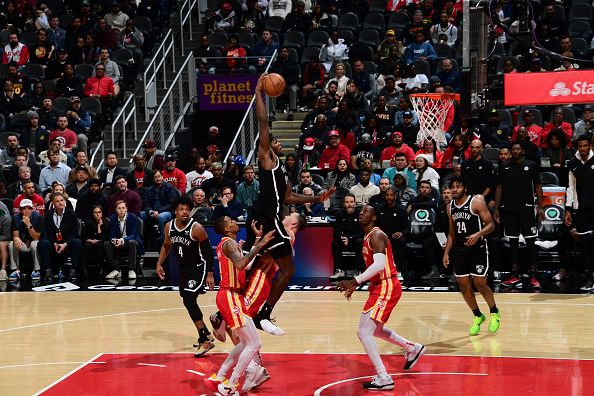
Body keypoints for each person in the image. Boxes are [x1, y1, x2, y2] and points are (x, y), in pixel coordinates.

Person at [246, 74, 334, 334]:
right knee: (288, 268)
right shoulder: (266, 159)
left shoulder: (281, 168)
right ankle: (263, 314)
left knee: (267, 264)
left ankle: (239, 311)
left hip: (270, 214)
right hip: (266, 214)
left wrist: (316, 198)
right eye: (273, 141)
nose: (277, 142)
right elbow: (262, 121)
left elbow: (288, 198)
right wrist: (259, 93)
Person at [337, 205, 426, 391]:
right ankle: (411, 348)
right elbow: (373, 267)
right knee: (374, 330)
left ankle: (384, 377)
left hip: (386, 285)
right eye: (360, 211)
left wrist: (355, 280)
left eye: (366, 212)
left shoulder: (377, 235)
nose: (361, 213)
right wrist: (359, 283)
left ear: (374, 218)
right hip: (379, 286)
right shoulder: (367, 237)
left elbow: (379, 265)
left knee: (364, 332)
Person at [205, 218, 275, 395]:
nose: (235, 221)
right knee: (254, 343)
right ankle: (231, 384)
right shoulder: (229, 244)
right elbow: (241, 263)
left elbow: (246, 264)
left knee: (246, 342)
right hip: (230, 295)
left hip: (233, 296)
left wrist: (256, 241)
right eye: (230, 220)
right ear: (227, 228)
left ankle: (220, 377)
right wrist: (260, 245)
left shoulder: (230, 244)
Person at [155, 196, 216, 356]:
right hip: (184, 268)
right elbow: (166, 246)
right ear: (175, 211)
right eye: (181, 209)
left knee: (189, 299)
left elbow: (209, 252)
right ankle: (208, 331)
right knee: (187, 300)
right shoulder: (169, 226)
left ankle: (205, 338)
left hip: (198, 266)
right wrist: (159, 263)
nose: (185, 212)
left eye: (187, 210)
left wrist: (210, 273)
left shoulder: (196, 228)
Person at [443, 176, 500, 334]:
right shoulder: (450, 207)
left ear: (465, 188)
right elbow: (452, 233)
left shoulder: (476, 202)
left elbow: (491, 225)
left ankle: (494, 312)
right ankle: (477, 315)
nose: (454, 189)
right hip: (460, 250)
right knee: (463, 285)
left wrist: (477, 235)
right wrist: (446, 252)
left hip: (478, 248)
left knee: (480, 284)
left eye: (458, 186)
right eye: (452, 187)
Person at [495, 143, 543, 291]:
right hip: (509, 210)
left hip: (527, 209)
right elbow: (499, 187)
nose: (515, 151)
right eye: (513, 149)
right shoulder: (504, 167)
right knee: (513, 243)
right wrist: (496, 207)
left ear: (522, 151)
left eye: (518, 149)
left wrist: (540, 207)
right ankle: (515, 275)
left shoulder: (532, 165)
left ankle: (533, 275)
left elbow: (538, 186)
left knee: (530, 243)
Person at [566, 136, 594, 291]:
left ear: (590, 146)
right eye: (580, 146)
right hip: (581, 209)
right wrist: (568, 209)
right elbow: (570, 189)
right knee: (584, 244)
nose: (583, 148)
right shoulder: (573, 164)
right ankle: (589, 278)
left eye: (585, 145)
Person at [38, 192, 83, 282]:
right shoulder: (48, 215)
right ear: (53, 203)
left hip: (67, 244)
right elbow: (47, 233)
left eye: (62, 200)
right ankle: (48, 270)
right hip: (53, 244)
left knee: (77, 242)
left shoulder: (72, 214)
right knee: (42, 243)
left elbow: (75, 233)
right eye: (57, 201)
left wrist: (65, 244)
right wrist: (54, 243)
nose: (60, 203)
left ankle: (73, 270)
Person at [104, 200, 144, 280]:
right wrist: (114, 240)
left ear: (126, 209)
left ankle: (132, 269)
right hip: (118, 242)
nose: (121, 210)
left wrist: (122, 240)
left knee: (131, 242)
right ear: (116, 210)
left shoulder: (132, 217)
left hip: (130, 241)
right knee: (107, 244)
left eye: (123, 208)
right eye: (119, 208)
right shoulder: (113, 218)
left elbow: (134, 234)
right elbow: (112, 234)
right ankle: (117, 270)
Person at [8, 199, 43, 282]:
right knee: (12, 243)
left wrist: (29, 224)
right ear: (20, 209)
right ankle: (15, 270)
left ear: (32, 209)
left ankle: (36, 270)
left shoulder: (38, 217)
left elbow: (36, 238)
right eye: (24, 208)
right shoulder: (16, 218)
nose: (27, 210)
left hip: (33, 243)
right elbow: (15, 234)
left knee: (35, 244)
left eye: (29, 208)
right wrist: (15, 237)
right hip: (22, 244)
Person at [141, 169, 178, 235]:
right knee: (140, 215)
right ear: (152, 179)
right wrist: (149, 210)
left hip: (167, 211)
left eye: (159, 176)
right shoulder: (149, 189)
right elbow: (146, 203)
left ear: (162, 176)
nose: (158, 179)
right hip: (152, 211)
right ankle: (142, 239)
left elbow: (171, 204)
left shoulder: (169, 188)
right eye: (155, 177)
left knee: (160, 217)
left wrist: (158, 211)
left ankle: (163, 237)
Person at [81, 204, 110, 276]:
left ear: (102, 213)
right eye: (95, 212)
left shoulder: (106, 221)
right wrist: (90, 240)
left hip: (101, 242)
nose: (97, 214)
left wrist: (99, 227)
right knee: (87, 246)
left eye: (99, 212)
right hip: (90, 242)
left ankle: (101, 268)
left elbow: (105, 238)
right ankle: (84, 269)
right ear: (92, 213)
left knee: (98, 245)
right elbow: (84, 236)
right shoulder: (89, 222)